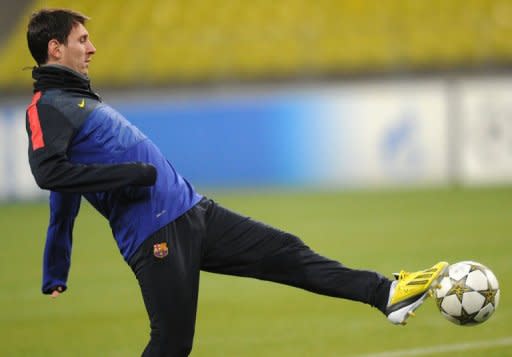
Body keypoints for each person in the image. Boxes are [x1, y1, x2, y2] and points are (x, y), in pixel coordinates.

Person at [25, 8, 447, 357]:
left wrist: (55, 268)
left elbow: (67, 185)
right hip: (154, 232)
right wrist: (131, 176)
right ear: (55, 48)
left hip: (193, 213)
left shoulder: (77, 100)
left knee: (287, 251)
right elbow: (51, 175)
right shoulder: (46, 107)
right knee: (171, 344)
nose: (92, 47)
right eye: (82, 40)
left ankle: (385, 294)